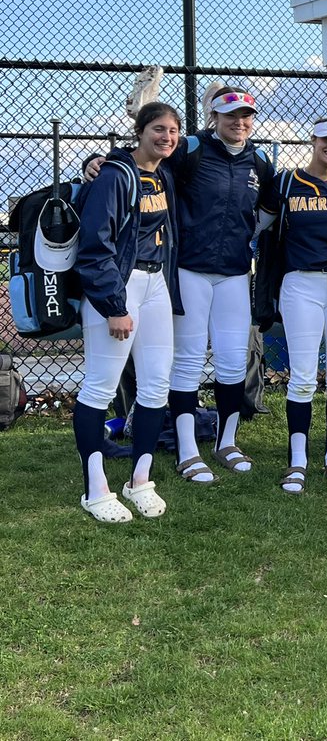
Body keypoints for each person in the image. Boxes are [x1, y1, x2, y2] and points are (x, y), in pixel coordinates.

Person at [72, 102, 183, 521]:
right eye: (158, 129)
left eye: (173, 130)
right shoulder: (116, 176)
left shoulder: (164, 173)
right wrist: (114, 305)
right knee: (100, 386)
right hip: (119, 288)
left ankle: (140, 480)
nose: (166, 137)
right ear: (138, 131)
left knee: (156, 385)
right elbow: (94, 248)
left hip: (156, 285)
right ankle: (94, 488)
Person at [164, 84, 276, 483]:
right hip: (190, 270)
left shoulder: (260, 161)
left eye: (247, 115)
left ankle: (226, 442)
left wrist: (247, 236)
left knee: (232, 360)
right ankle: (187, 448)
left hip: (233, 273)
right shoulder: (191, 148)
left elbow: (267, 211)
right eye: (231, 116)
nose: (240, 122)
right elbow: (147, 165)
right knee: (189, 358)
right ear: (215, 117)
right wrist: (96, 160)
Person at [263, 118, 327, 493]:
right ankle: (298, 459)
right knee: (303, 375)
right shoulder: (287, 181)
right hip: (300, 282)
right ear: (314, 140)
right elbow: (261, 226)